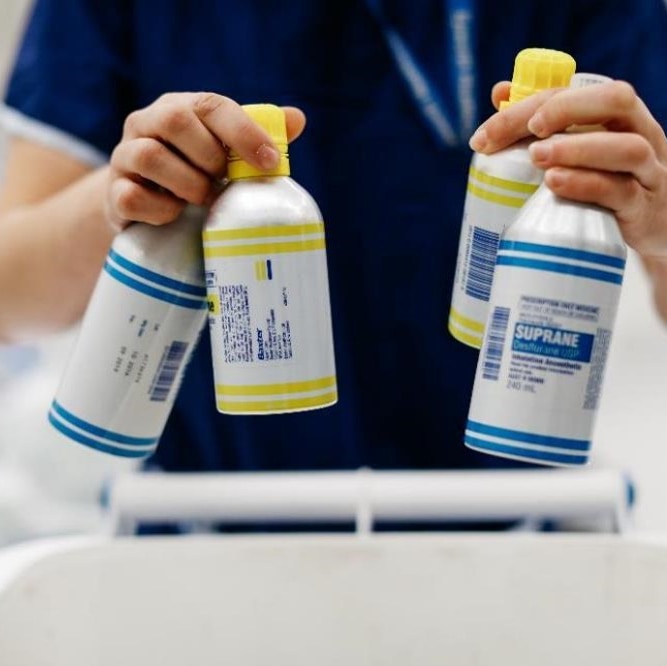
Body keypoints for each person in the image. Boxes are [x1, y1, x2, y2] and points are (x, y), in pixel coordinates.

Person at [1, 1, 667, 498]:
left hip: (512, 530)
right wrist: (123, 196)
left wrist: (661, 228)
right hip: (216, 535)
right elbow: (11, 297)